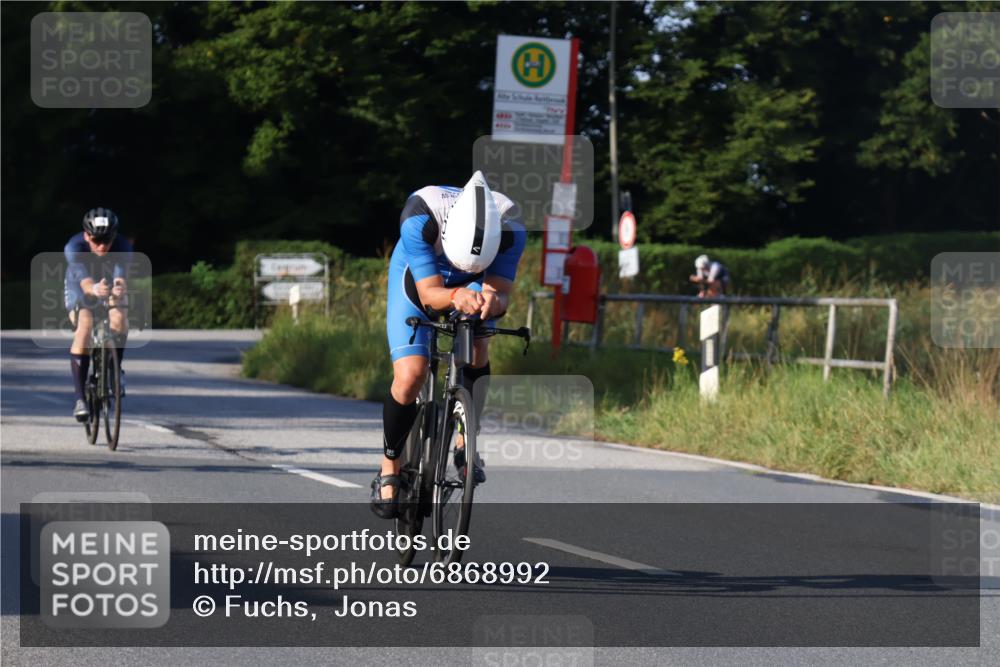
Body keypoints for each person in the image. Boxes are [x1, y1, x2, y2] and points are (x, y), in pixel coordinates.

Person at [372, 171, 526, 518]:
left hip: (471, 287)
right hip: (419, 278)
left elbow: (500, 293)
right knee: (411, 375)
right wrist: (456, 294)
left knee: (478, 347)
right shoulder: (420, 217)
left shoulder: (511, 227)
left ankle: (464, 438)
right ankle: (390, 467)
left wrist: (491, 303)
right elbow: (429, 294)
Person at [65, 207, 133, 421]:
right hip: (80, 286)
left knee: (120, 317)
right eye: (97, 240)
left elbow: (121, 277)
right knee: (85, 325)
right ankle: (80, 400)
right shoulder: (74, 247)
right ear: (86, 235)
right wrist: (94, 289)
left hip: (108, 282)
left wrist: (119, 289)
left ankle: (115, 370)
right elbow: (84, 282)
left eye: (107, 239)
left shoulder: (122, 245)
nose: (102, 246)